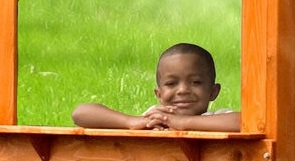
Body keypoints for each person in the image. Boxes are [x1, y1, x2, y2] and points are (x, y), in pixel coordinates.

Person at [72, 43, 241, 131]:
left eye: (195, 82)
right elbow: (80, 113)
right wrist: (131, 121)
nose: (182, 90)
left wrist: (184, 123)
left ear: (213, 91)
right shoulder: (156, 118)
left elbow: (242, 121)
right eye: (171, 83)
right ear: (159, 94)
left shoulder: (215, 117)